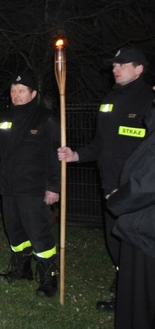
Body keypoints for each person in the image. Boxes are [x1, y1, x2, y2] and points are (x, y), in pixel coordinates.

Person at [58, 45, 154, 311]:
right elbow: (100, 143)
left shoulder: (148, 101)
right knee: (114, 242)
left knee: (138, 246)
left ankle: (137, 298)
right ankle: (125, 292)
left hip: (138, 190)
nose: (115, 68)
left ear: (139, 69)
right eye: (114, 64)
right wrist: (76, 155)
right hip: (110, 183)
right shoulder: (109, 100)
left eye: (122, 64)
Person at [0, 72, 61, 297]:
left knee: (38, 233)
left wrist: (54, 186)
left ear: (33, 94)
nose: (16, 95)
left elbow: (56, 155)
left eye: (22, 91)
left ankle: (48, 278)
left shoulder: (45, 119)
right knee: (14, 231)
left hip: (34, 188)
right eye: (14, 91)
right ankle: (21, 269)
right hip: (9, 186)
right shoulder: (3, 118)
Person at [107, 97, 155, 329]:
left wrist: (118, 199)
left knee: (139, 303)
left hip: (146, 230)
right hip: (141, 224)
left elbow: (148, 183)